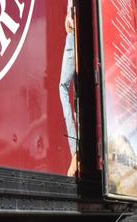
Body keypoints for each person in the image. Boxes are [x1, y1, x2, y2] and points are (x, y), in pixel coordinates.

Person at [60, 0, 78, 176]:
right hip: (76, 32)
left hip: (74, 34)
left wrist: (69, 16)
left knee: (63, 88)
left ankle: (75, 152)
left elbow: (70, 21)